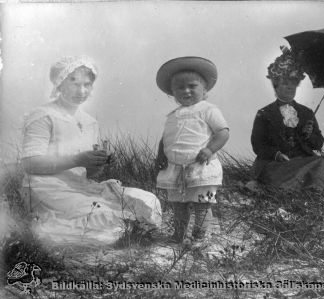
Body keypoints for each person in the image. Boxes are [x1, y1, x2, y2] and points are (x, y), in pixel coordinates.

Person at [21, 55, 162, 245]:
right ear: (59, 83)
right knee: (106, 218)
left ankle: (124, 230)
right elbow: (30, 164)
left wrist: (98, 163)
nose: (81, 91)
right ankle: (43, 228)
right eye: (74, 83)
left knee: (147, 200)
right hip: (47, 187)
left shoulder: (89, 122)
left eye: (87, 85)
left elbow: (88, 173)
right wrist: (78, 159)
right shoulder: (43, 116)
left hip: (80, 186)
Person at [155, 56, 229, 243]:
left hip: (201, 167)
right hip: (175, 168)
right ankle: (178, 235)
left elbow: (223, 132)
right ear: (172, 92)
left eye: (192, 86)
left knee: (202, 205)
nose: (186, 91)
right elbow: (165, 139)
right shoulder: (173, 115)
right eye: (180, 88)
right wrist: (160, 156)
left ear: (204, 90)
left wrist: (210, 149)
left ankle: (199, 237)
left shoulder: (208, 109)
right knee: (178, 205)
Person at [250, 46, 324, 192]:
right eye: (285, 83)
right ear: (276, 85)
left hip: (300, 162)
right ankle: (291, 187)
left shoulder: (307, 113)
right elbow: (257, 145)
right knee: (283, 172)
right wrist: (276, 154)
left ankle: (291, 188)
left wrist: (310, 135)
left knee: (317, 162)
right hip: (274, 164)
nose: (290, 87)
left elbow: (319, 143)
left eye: (293, 83)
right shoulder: (264, 113)